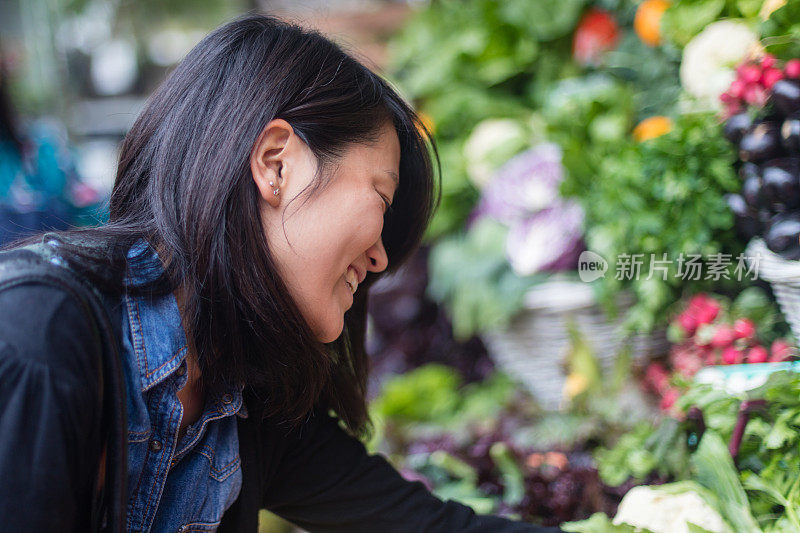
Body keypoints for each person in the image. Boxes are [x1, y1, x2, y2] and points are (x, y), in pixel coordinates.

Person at [0, 15, 563, 533]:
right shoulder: (41, 335)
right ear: (276, 164)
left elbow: (428, 528)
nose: (381, 261)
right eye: (382, 199)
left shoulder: (243, 396)